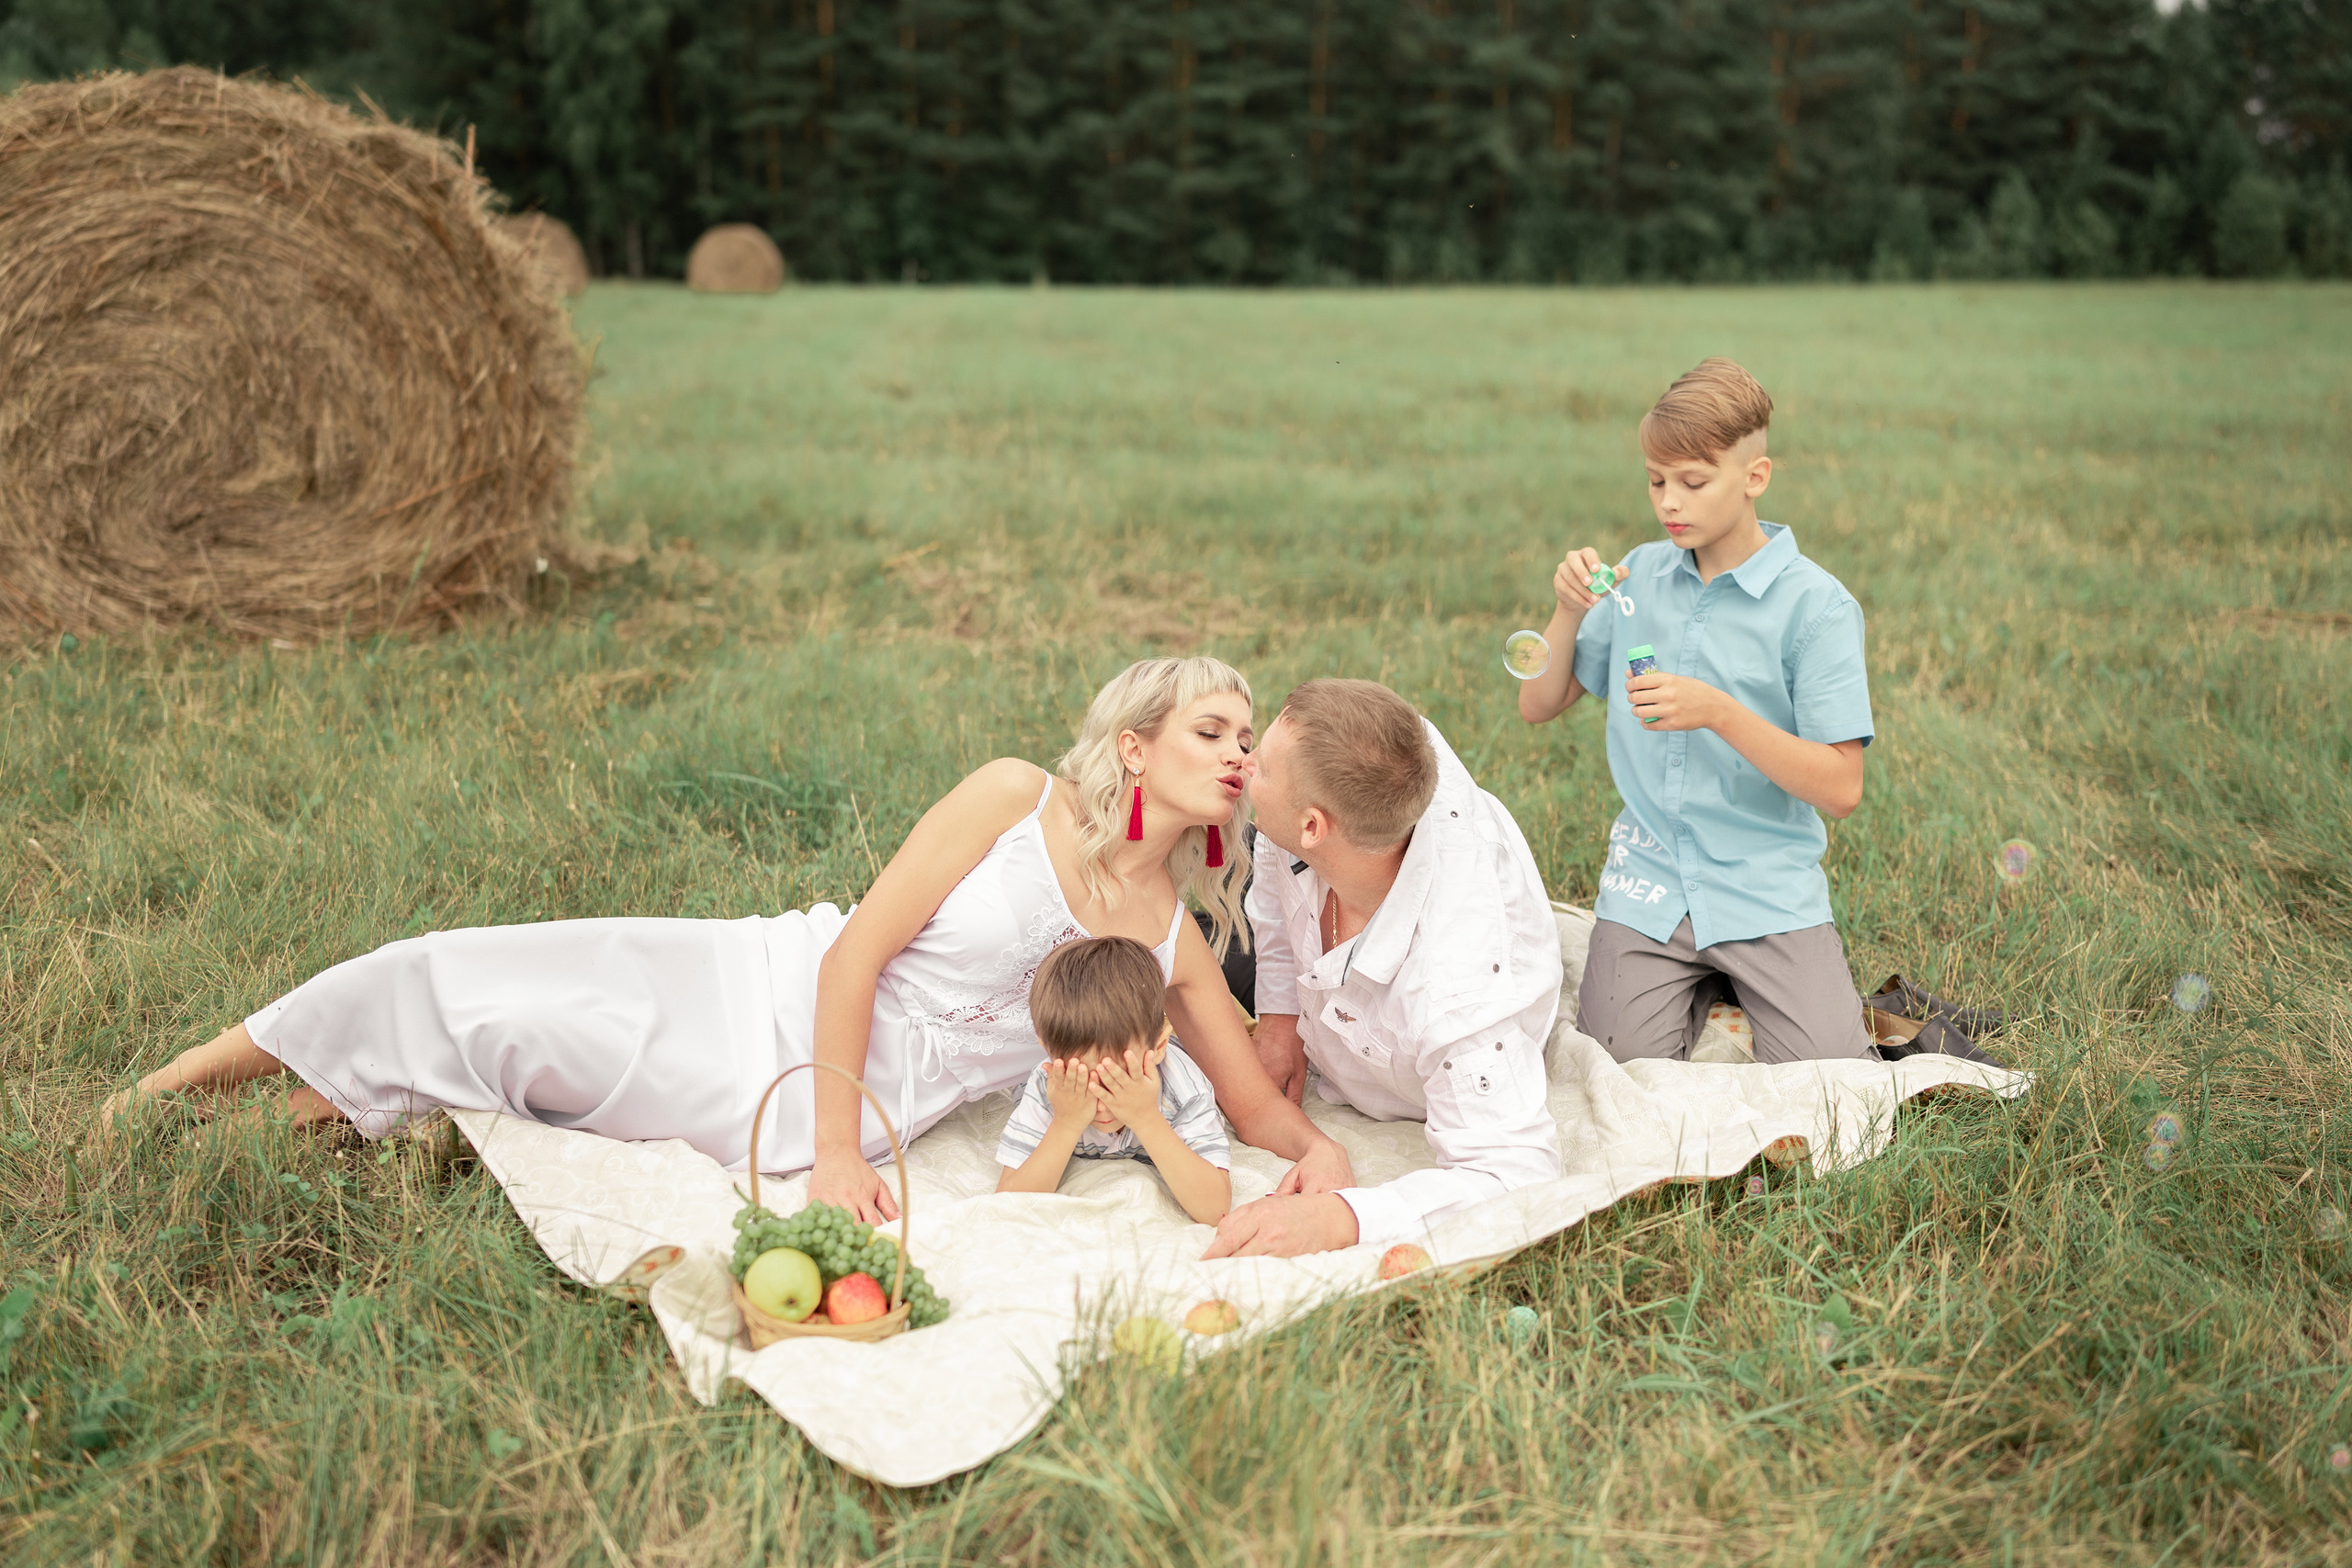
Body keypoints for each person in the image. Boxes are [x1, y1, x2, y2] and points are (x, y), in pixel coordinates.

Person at [99, 657, 1355, 1222]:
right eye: (1211, 727)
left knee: (527, 1051)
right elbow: (859, 951)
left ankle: (255, 1140)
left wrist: (1323, 1162)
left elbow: (1255, 1106)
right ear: (1135, 745)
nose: (1239, 751)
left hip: (852, 1102)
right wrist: (821, 1151)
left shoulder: (1173, 937)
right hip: (772, 983)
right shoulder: (1012, 795)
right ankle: (154, 1098)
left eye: (1248, 736)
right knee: (448, 972)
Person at [1516, 356, 1878, 1065]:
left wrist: (1719, 711)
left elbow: (1842, 788)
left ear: (1754, 477)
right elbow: (1538, 702)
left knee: (1832, 1079)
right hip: (1649, 880)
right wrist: (1566, 610)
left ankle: (1745, 985)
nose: (1668, 503)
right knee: (1614, 1067)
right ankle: (1709, 990)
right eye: (1656, 481)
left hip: (1764, 884)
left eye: (1693, 481)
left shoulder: (1817, 607)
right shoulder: (1638, 579)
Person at [1205, 678, 1564, 1258]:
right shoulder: (1371, 764)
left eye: (1262, 769)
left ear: (1315, 827)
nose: (1244, 767)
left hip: (1426, 1038)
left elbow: (1517, 1176)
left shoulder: (1456, 993)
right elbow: (1273, 888)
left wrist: (1340, 1218)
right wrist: (1278, 1017)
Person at [995, 936, 1231, 1224]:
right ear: (1047, 1048)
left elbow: (1215, 1208)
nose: (1103, 1102)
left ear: (1157, 1048)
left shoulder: (1184, 1091)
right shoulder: (1052, 1085)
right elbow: (1010, 1201)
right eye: (1084, 1079)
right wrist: (1066, 1122)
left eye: (1118, 1079)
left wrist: (1145, 1117)